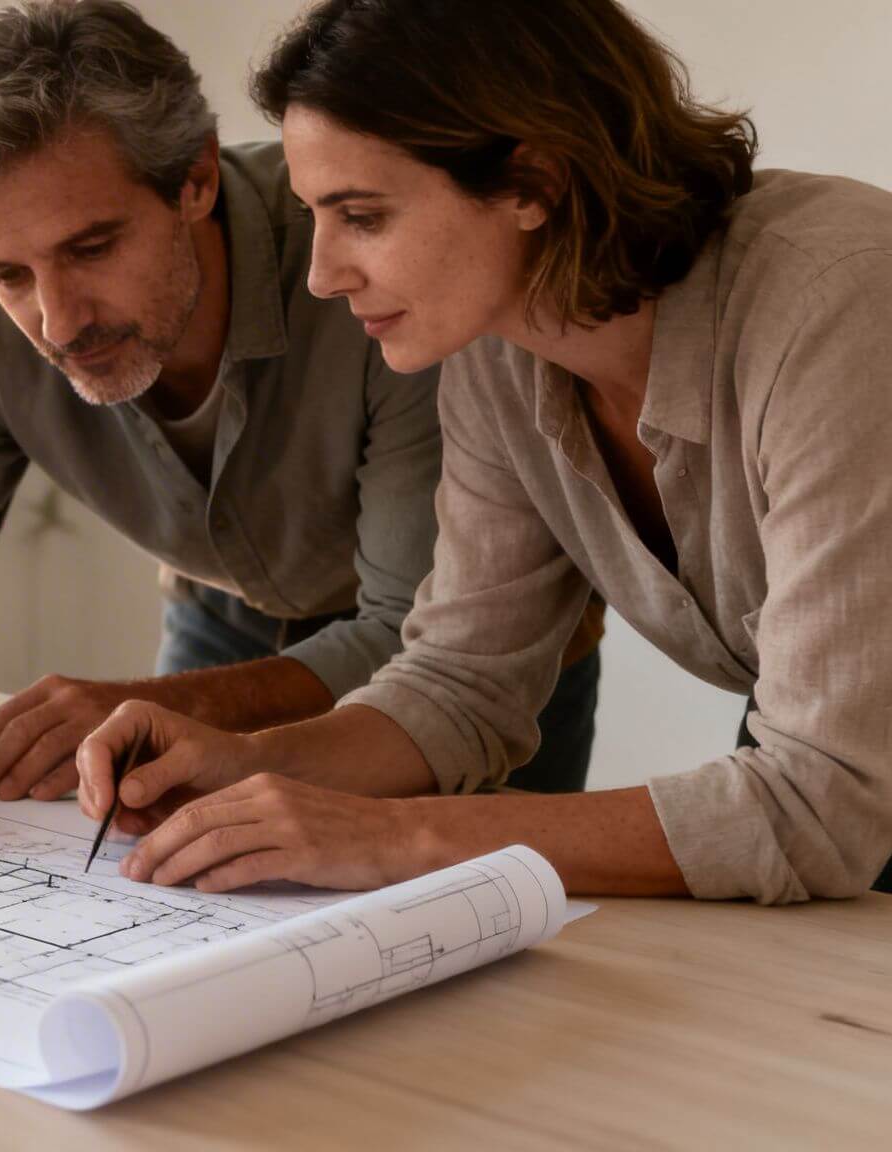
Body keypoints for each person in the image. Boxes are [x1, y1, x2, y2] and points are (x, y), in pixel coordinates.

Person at [76, 0, 892, 902]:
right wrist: (248, 766)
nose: (322, 273)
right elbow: (462, 684)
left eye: (364, 215)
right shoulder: (501, 351)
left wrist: (397, 836)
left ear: (533, 181)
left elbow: (820, 806)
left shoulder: (842, 310)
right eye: (315, 214)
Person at [0, 0, 604, 851]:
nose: (57, 324)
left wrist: (170, 706)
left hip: (470, 658)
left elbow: (422, 643)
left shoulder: (375, 262)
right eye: (9, 274)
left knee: (475, 950)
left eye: (92, 249)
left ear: (196, 178)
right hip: (223, 627)